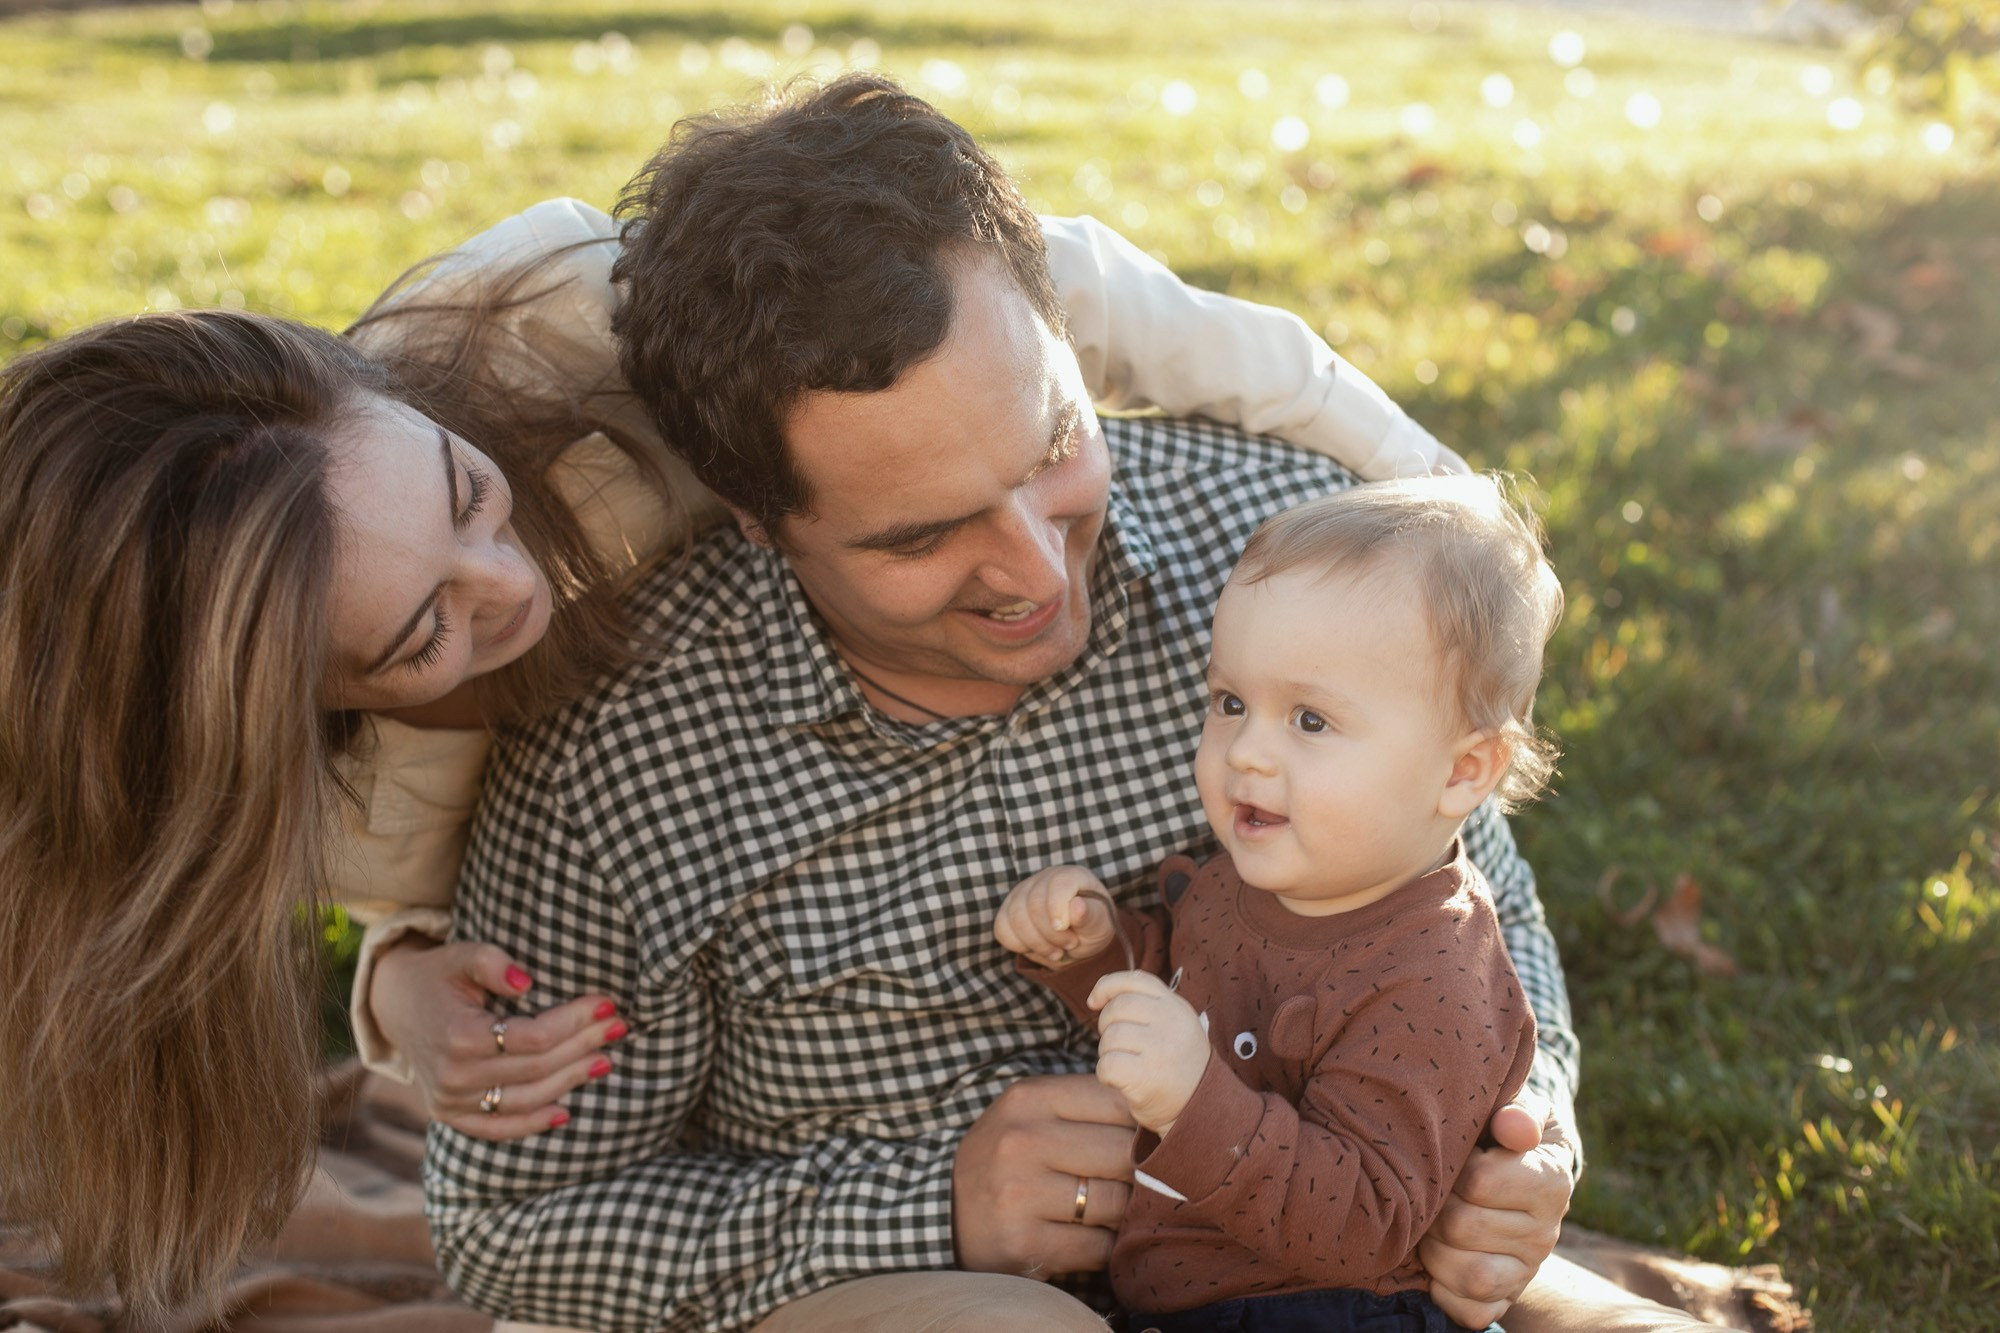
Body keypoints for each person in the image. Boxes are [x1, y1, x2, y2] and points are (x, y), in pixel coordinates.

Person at [0, 119, 1463, 1322]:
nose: (509, 593)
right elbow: (512, 1189)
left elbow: (1115, 318)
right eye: (418, 634)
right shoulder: (466, 782)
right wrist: (398, 978)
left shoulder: (554, 327)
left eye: (469, 502)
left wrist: (1453, 538)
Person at [424, 73, 1615, 1333]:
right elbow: (508, 1230)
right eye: (922, 535)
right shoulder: (618, 763)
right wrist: (926, 1203)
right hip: (905, 1291)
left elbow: (1469, 882)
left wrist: (1521, 1140)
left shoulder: (1279, 550)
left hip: (1302, 1230)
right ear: (761, 522)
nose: (1038, 573)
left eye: (1052, 450)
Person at [995, 476, 1562, 1332]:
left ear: (1462, 771)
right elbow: (1184, 992)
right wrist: (1097, 954)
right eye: (1230, 703)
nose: (1248, 751)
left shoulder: (1437, 983)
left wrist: (1192, 1101)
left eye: (1310, 720)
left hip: (1330, 1309)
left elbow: (1362, 1222)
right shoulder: (1246, 879)